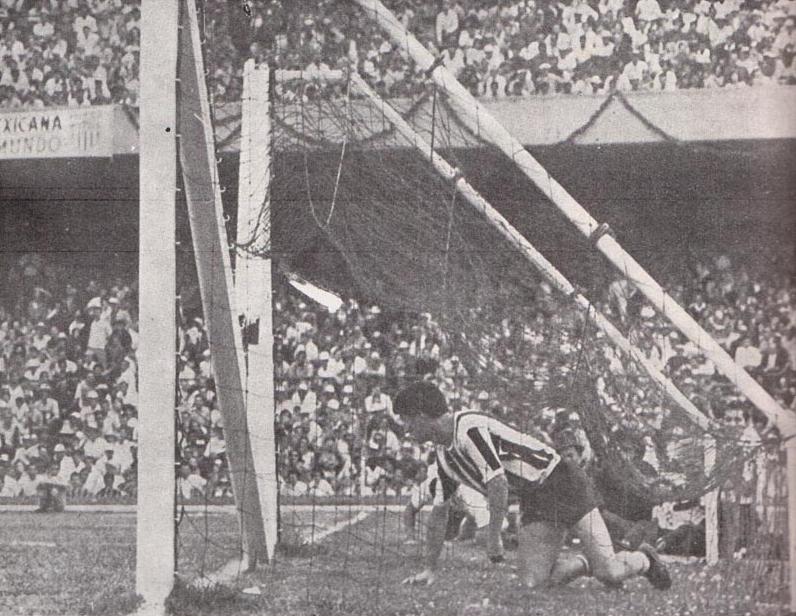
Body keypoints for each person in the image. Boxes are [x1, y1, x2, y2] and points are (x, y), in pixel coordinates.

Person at [394, 381, 671, 591]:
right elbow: (439, 513)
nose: (406, 430)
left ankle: (644, 559)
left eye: (407, 422)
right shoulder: (444, 454)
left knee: (609, 572)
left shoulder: (469, 428)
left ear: (420, 416)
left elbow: (498, 482)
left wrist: (494, 536)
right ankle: (585, 561)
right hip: (536, 498)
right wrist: (430, 569)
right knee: (534, 584)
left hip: (563, 481)